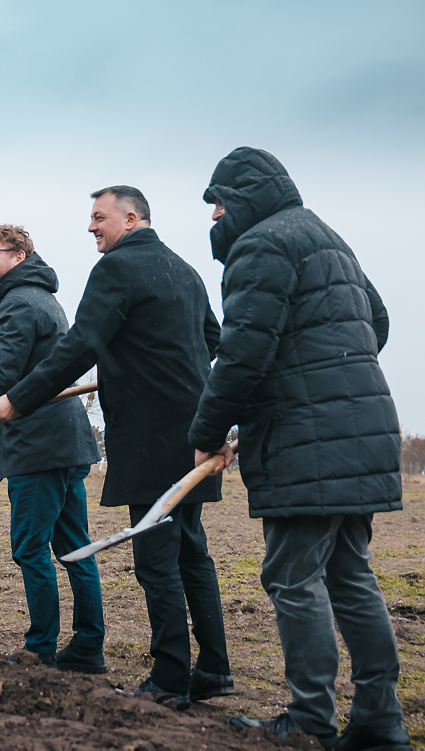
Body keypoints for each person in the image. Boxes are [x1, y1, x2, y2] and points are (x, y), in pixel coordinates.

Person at [189, 147, 409, 750]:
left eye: (218, 205)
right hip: (361, 428)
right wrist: (331, 372)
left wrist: (207, 432)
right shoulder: (325, 237)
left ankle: (311, 718)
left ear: (244, 201)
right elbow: (377, 322)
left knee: (291, 577)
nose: (213, 218)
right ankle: (380, 722)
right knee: (349, 577)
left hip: (304, 438)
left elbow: (241, 356)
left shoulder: (261, 246)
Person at [0, 187, 232, 709]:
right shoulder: (184, 270)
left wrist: (17, 400)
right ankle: (213, 667)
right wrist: (157, 365)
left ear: (131, 217)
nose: (91, 227)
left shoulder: (117, 269)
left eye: (99, 217)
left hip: (149, 436)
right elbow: (211, 340)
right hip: (192, 433)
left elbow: (80, 347)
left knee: (156, 558)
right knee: (192, 552)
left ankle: (169, 676)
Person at [0, 225, 103, 667]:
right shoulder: (43, 297)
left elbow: (2, 376)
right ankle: (89, 645)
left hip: (40, 444)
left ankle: (40, 649)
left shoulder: (17, 304)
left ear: (18, 255)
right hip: (68, 441)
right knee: (75, 546)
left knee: (30, 548)